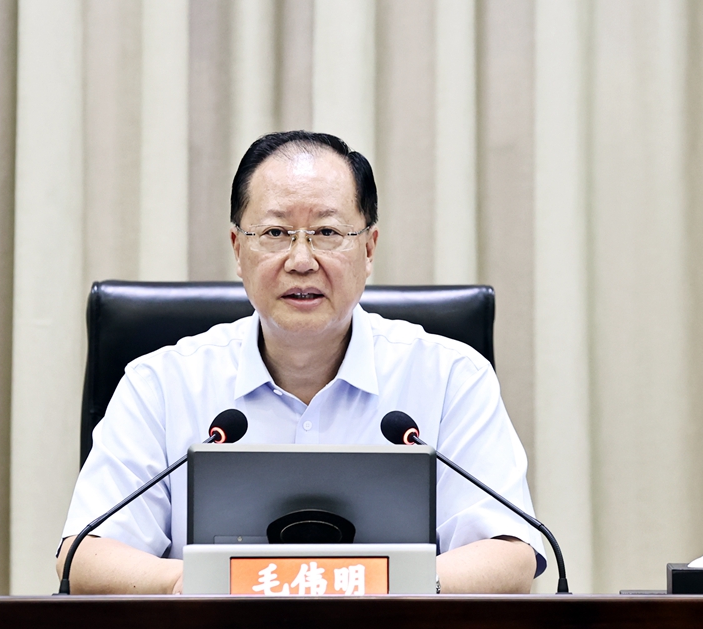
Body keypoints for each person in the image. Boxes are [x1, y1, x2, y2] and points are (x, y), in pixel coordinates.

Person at [57, 130, 546, 595]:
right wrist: (195, 584)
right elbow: (84, 554)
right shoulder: (162, 383)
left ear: (369, 249)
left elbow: (509, 553)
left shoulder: (451, 377)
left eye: (327, 232)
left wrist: (376, 587)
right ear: (238, 250)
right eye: (275, 232)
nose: (301, 260)